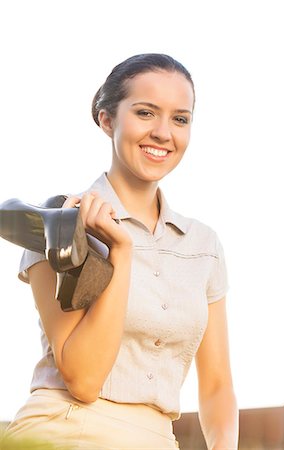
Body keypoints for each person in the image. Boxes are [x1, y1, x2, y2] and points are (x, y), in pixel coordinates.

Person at [4, 53, 239, 449]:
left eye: (180, 118)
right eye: (146, 113)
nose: (164, 133)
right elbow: (83, 378)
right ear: (107, 119)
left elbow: (216, 384)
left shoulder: (203, 246)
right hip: (65, 430)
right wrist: (121, 252)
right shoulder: (59, 223)